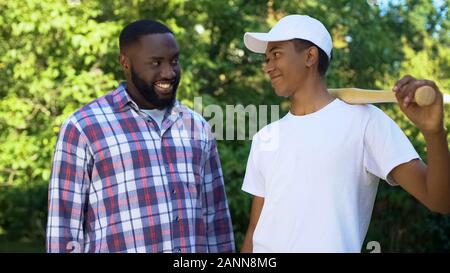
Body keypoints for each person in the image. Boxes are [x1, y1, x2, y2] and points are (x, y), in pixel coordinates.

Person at [240, 14, 450, 253]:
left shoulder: (365, 122)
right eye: (266, 58)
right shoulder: (265, 137)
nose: (267, 66)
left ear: (310, 56)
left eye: (276, 54)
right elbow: (255, 229)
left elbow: (440, 201)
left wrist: (434, 133)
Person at [46, 19, 235, 253]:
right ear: (125, 62)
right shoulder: (84, 126)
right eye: (155, 63)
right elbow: (64, 225)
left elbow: (216, 220)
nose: (169, 72)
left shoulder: (197, 127)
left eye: (174, 61)